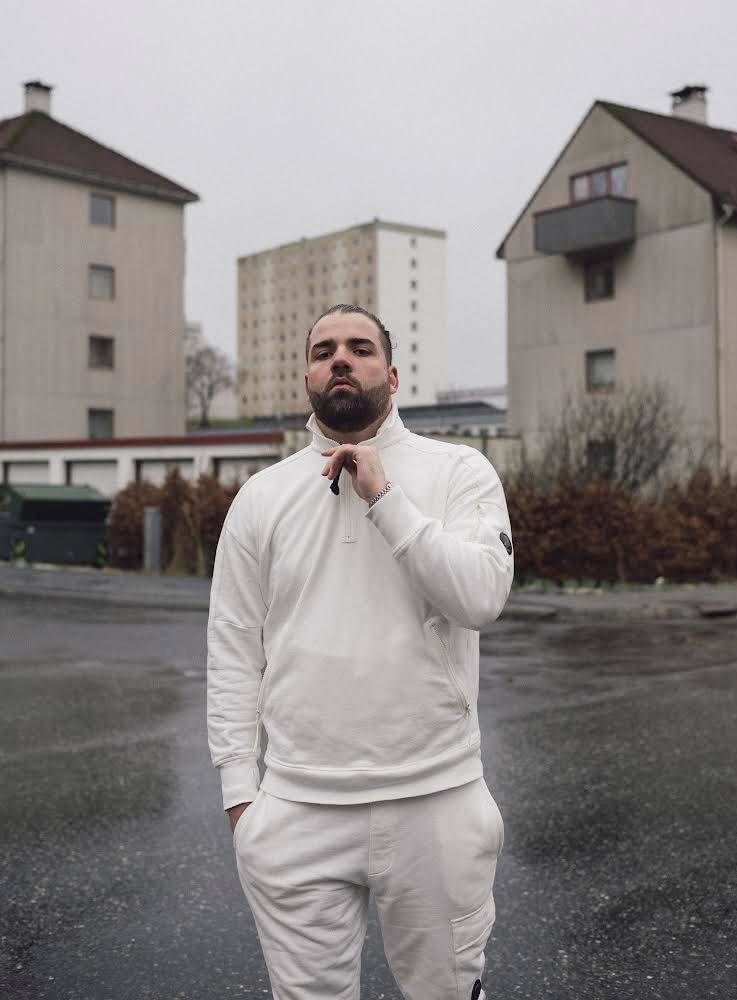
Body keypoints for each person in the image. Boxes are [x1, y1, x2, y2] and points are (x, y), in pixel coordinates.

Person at [207, 304, 514, 1000]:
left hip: (435, 798)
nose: (339, 359)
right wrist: (240, 799)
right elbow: (232, 645)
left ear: (393, 375)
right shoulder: (262, 496)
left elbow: (481, 597)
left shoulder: (459, 472)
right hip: (296, 808)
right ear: (308, 377)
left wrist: (385, 497)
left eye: (358, 347)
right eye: (323, 350)